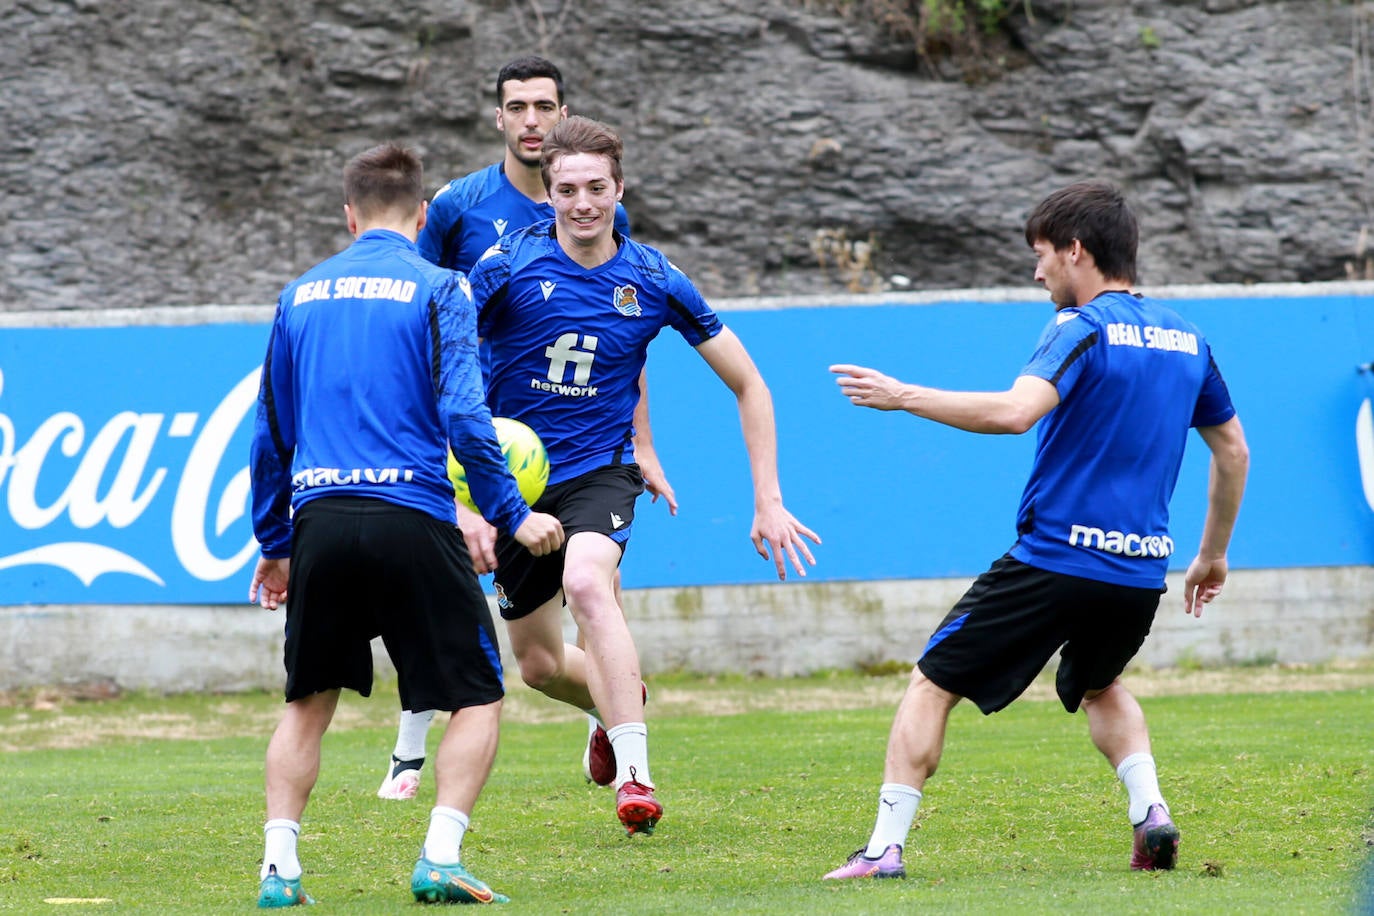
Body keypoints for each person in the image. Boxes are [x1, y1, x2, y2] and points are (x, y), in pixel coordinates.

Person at [823, 179, 1249, 879]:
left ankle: (883, 849)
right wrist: (1213, 555)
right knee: (1099, 684)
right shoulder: (1187, 338)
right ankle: (1151, 813)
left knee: (932, 683)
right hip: (1139, 571)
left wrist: (902, 396)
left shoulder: (1079, 327)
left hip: (1055, 559)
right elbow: (1233, 449)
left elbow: (1014, 412)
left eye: (1043, 254)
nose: (1037, 270)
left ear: (1077, 251)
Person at [459, 114, 820, 836]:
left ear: (620, 188)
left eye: (597, 187)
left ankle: (636, 775)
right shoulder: (504, 267)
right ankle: (610, 701)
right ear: (548, 193)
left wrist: (768, 500)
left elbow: (750, 385)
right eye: (567, 189)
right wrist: (461, 492)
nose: (583, 202)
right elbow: (444, 367)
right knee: (533, 665)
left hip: (600, 471)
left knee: (590, 582)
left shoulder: (656, 279)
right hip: (513, 486)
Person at [248, 142, 564, 907]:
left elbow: (268, 434)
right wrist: (511, 515)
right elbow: (464, 413)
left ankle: (279, 872)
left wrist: (275, 544)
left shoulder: (298, 295)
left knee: (307, 705)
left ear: (348, 214)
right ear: (424, 216)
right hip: (412, 516)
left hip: (320, 518)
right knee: (478, 697)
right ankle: (440, 859)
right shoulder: (438, 285)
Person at [377, 55, 676, 802]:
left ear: (562, 111)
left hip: (565, 446)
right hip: (472, 433)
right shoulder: (457, 208)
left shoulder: (595, 207)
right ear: (500, 118)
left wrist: (641, 442)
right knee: (451, 595)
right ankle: (410, 745)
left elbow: (618, 337)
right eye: (519, 106)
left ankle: (619, 729)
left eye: (546, 105)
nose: (533, 119)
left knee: (583, 594)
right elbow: (420, 305)